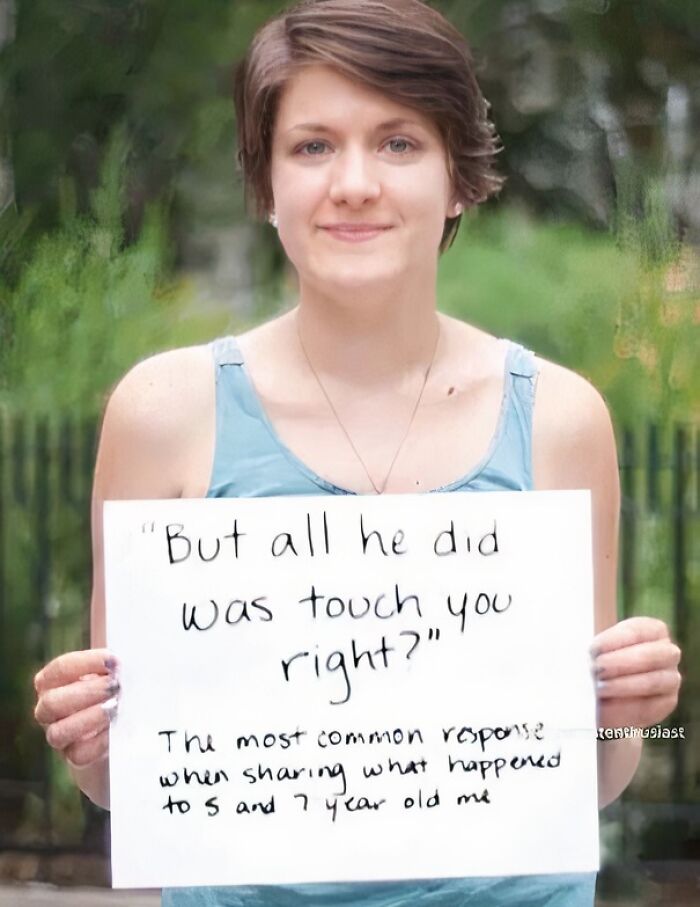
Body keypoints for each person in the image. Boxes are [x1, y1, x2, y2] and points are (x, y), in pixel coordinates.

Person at [33, 1, 682, 905]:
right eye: (311, 146)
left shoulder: (563, 416)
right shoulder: (163, 414)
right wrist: (89, 742)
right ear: (265, 184)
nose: (354, 183)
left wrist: (628, 715)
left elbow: (591, 779)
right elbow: (124, 787)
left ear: (459, 177)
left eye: (399, 143)